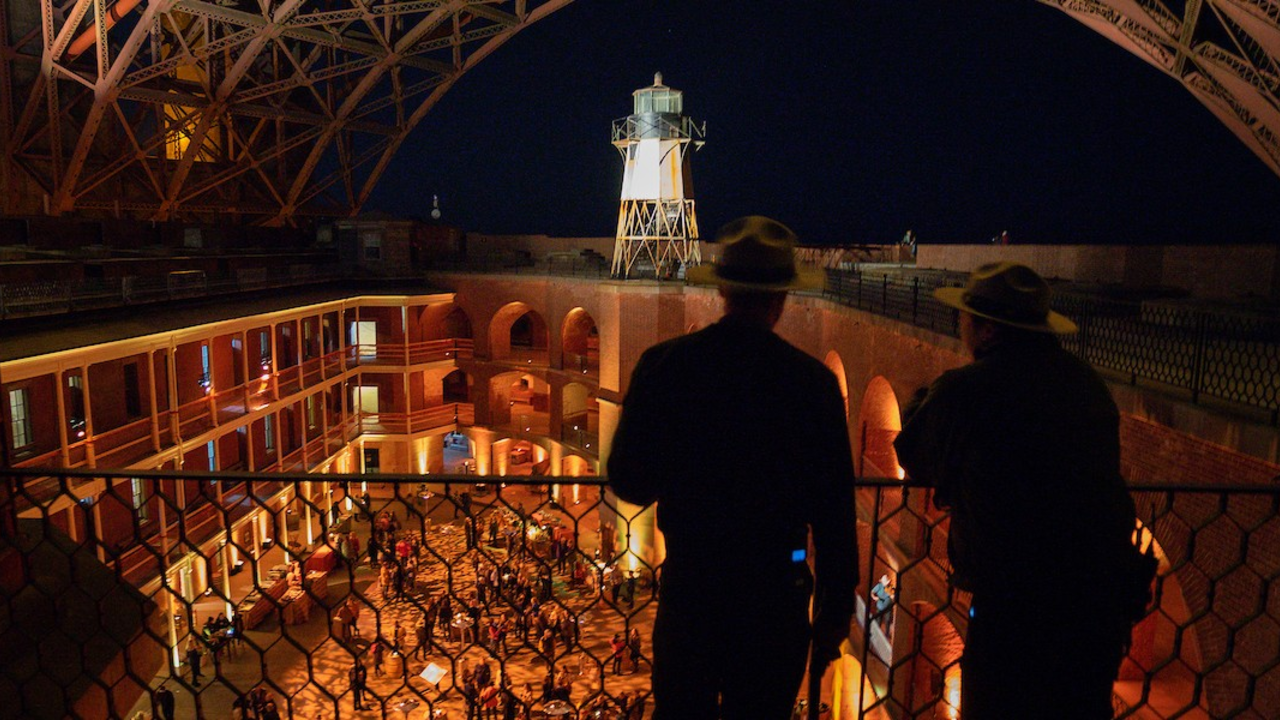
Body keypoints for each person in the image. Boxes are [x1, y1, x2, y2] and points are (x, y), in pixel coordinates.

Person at [608, 216, 859, 719]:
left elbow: (628, 480)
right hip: (775, 599)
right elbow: (835, 516)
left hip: (692, 588)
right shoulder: (813, 385)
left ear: (721, 288)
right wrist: (833, 618)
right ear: (782, 298)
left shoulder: (665, 365)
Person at [894, 261, 1147, 719]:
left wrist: (927, 398)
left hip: (1015, 611)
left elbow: (914, 456)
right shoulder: (1086, 385)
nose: (960, 326)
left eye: (966, 319)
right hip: (1097, 609)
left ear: (987, 330)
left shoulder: (968, 389)